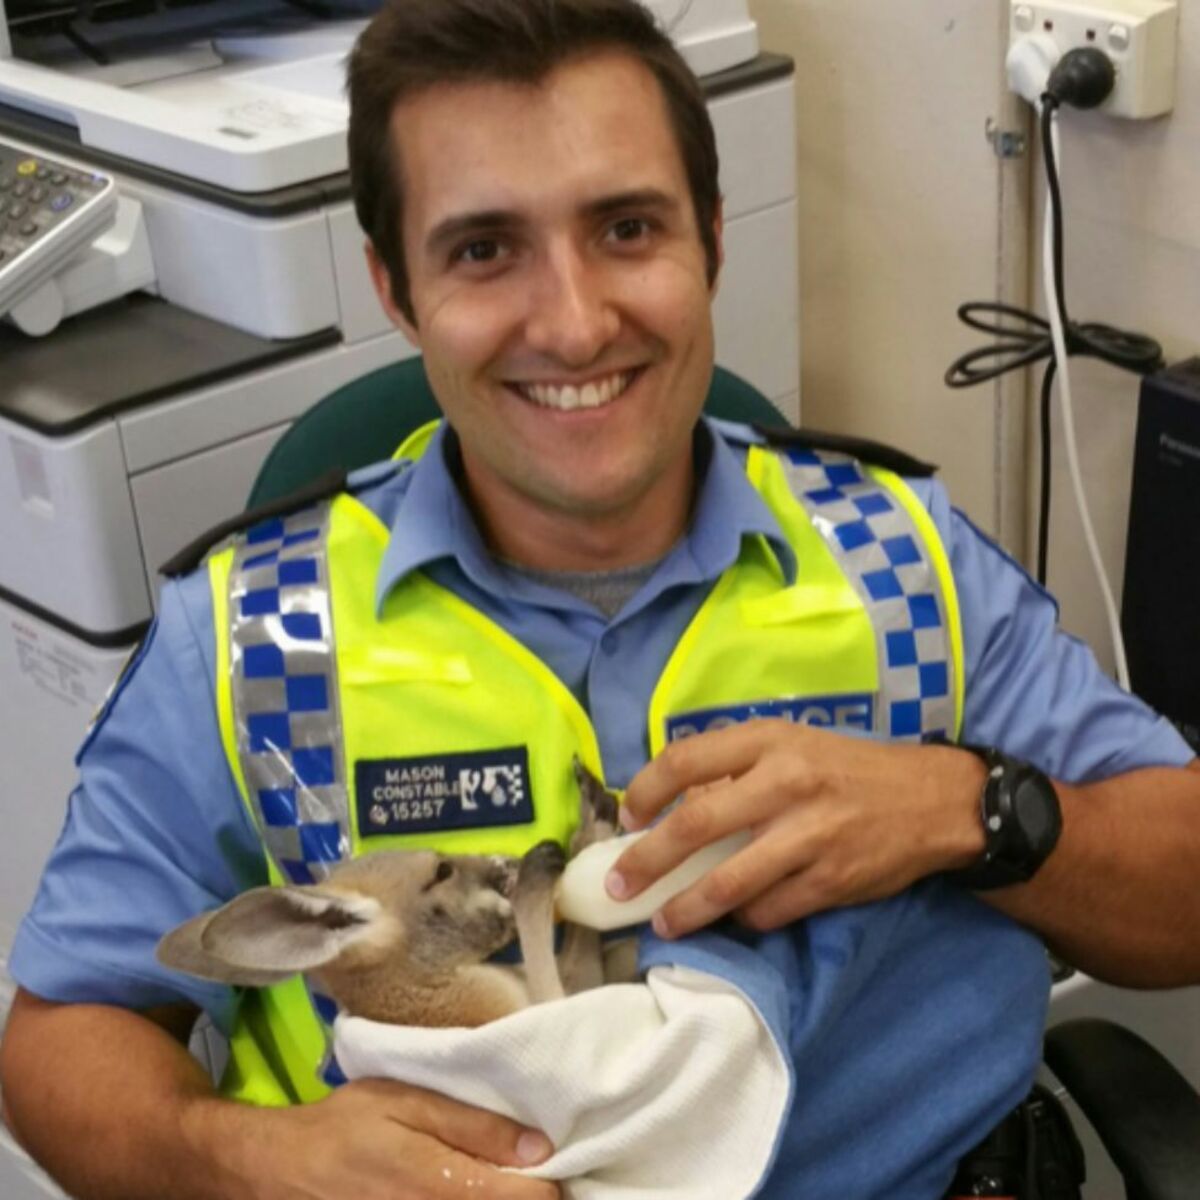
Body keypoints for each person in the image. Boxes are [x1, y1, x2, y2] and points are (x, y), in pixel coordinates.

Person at [2, 0, 1199, 1197]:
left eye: (627, 228)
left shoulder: (897, 562)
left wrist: (969, 809)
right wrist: (246, 1163)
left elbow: (1182, 884)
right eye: (482, 250)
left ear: (713, 242)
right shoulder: (259, 633)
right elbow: (60, 1043)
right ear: (397, 288)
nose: (575, 325)